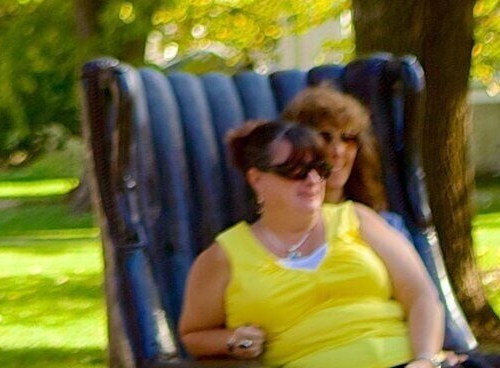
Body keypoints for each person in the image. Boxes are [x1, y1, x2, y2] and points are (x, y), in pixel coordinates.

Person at [179, 119, 456, 368]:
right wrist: (231, 340)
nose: (312, 180)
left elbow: (422, 297)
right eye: (295, 170)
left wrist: (425, 360)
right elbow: (192, 335)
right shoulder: (224, 256)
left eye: (319, 168)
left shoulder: (357, 219)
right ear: (257, 179)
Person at [280, 83, 393, 212]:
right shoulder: (279, 223)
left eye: (348, 138)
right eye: (325, 137)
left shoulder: (381, 221)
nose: (338, 151)